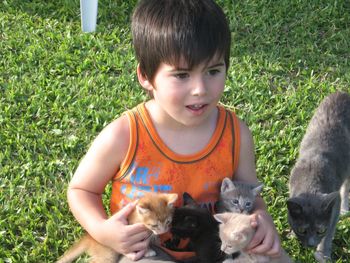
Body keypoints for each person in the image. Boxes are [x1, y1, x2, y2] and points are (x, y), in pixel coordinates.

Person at [66, 0, 282, 262]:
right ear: (146, 75)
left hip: (219, 242)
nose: (200, 89)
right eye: (181, 75)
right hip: (148, 248)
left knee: (272, 256)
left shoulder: (236, 133)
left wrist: (262, 218)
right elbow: (81, 190)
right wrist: (103, 231)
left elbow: (249, 193)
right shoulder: (125, 134)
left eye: (213, 71)